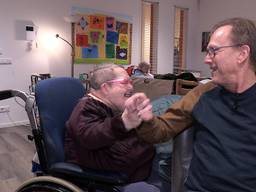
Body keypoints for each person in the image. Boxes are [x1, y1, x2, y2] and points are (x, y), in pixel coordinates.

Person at [124, 17, 256, 192]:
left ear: (242, 54)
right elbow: (161, 130)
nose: (207, 60)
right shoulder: (203, 93)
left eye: (213, 51)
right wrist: (145, 118)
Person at [64, 64, 166, 192]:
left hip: (136, 172)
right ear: (105, 88)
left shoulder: (112, 108)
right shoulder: (85, 107)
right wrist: (125, 122)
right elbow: (90, 136)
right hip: (106, 179)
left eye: (131, 81)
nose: (131, 87)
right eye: (125, 82)